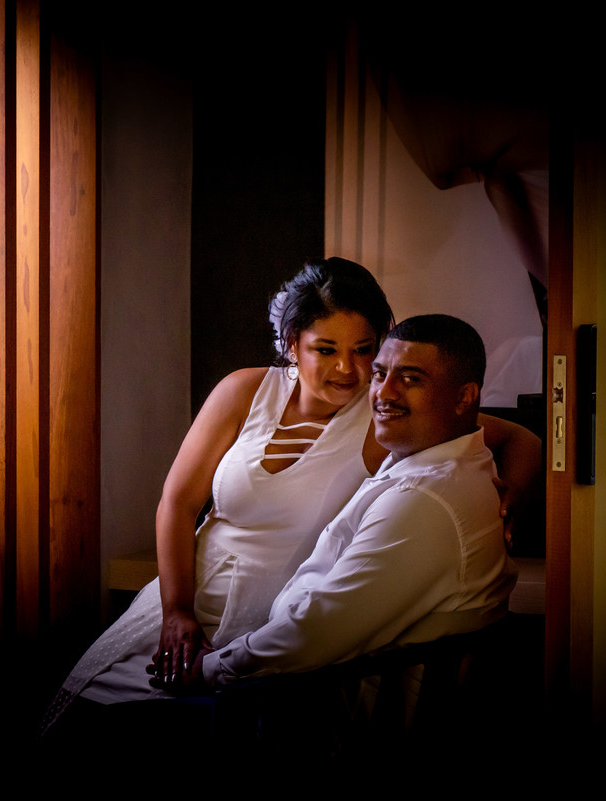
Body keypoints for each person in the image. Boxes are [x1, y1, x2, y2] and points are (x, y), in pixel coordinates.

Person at [39, 259, 540, 740]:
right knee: (87, 714)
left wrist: (509, 504)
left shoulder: (386, 414)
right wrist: (176, 611)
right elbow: (177, 501)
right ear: (293, 343)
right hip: (186, 597)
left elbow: (521, 439)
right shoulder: (244, 390)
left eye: (364, 349)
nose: (348, 368)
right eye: (326, 349)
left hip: (271, 622)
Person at [171, 313, 516, 701]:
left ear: (464, 397)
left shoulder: (424, 499)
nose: (383, 394)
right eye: (380, 374)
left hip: (314, 703)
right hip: (279, 664)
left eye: (410, 379)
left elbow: (313, 634)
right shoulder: (437, 460)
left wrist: (209, 670)